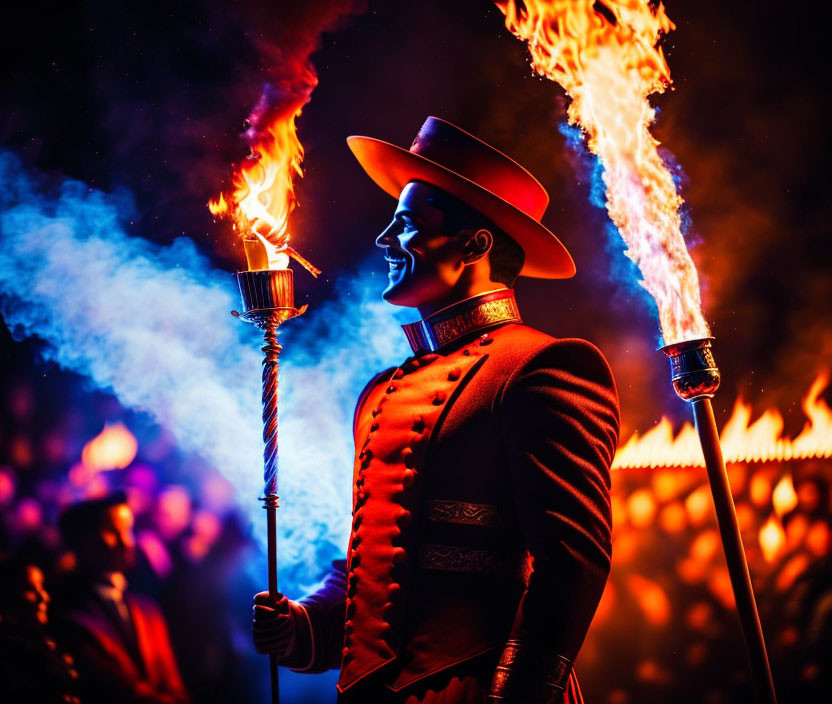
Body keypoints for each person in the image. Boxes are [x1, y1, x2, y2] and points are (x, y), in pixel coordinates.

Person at [253, 117, 620, 703]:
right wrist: (306, 627)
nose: (384, 240)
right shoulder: (381, 389)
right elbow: (373, 555)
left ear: (475, 243)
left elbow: (572, 563)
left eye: (407, 225)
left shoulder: (544, 367)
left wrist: (515, 694)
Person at [52, 492, 190, 704]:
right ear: (83, 542)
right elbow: (115, 691)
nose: (126, 541)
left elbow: (174, 684)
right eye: (111, 531)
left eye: (128, 530)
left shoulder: (147, 610)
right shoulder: (69, 615)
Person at [0, 560, 81, 703]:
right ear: (6, 595)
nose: (44, 597)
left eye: (41, 587)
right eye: (30, 589)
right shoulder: (5, 656)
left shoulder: (48, 642)